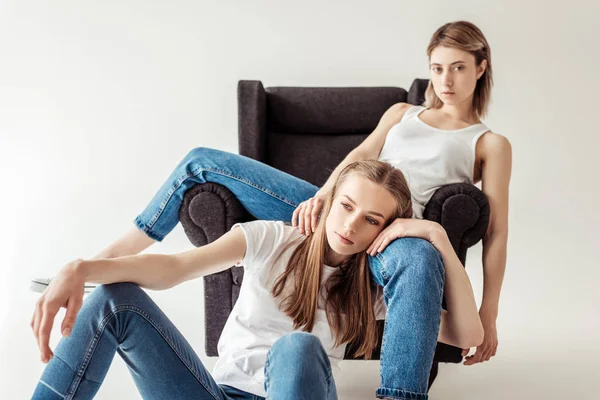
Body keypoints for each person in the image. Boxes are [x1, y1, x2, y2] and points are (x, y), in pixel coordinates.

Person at [31, 19, 511, 397]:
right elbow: (360, 160)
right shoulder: (403, 114)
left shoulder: (488, 141)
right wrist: (325, 198)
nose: (446, 79)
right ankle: (111, 259)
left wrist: (486, 309)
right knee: (200, 162)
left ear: (480, 67)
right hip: (346, 199)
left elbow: (497, 232)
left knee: (304, 342)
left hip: (398, 232)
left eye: (459, 67)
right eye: (437, 67)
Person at [30, 160, 483, 400]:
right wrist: (82, 267)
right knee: (116, 299)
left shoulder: (369, 287)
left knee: (297, 347)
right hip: (216, 394)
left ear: (384, 229)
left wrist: (438, 239)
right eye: (345, 206)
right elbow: (175, 268)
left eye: (370, 220)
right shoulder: (271, 238)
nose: (350, 226)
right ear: (329, 199)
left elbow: (467, 334)